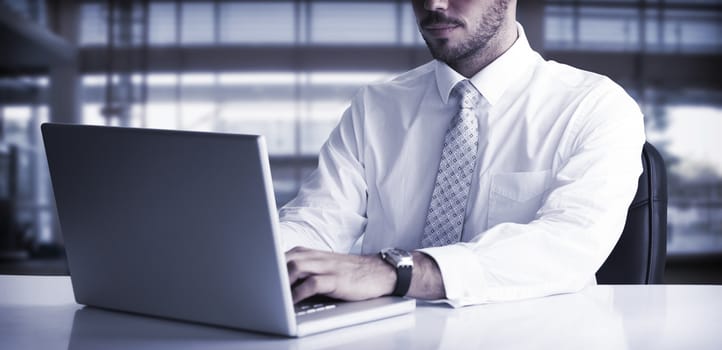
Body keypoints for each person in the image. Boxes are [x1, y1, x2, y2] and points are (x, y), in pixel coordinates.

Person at [280, 0, 645, 307]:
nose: (433, 5)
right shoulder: (375, 106)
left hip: (531, 336)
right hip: (384, 335)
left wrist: (398, 271)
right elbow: (316, 221)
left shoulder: (594, 106)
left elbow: (567, 245)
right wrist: (258, 257)